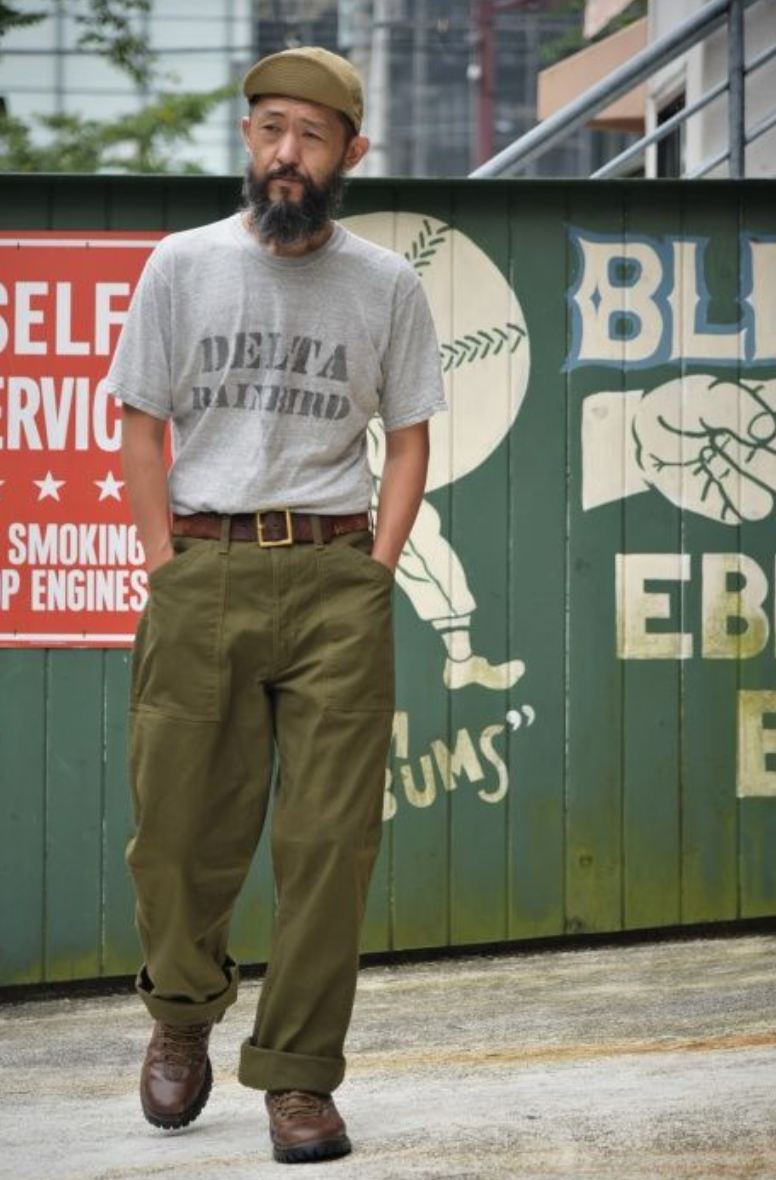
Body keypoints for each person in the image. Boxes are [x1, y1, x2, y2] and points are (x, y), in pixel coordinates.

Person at [105, 45, 445, 1165]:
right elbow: (141, 424)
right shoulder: (182, 264)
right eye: (268, 129)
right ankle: (181, 1007)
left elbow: (407, 437)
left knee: (329, 843)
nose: (285, 153)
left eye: (310, 134)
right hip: (203, 566)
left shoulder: (385, 285)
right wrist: (164, 560)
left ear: (351, 152)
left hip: (335, 575)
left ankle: (298, 1075)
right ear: (248, 140)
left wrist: (377, 566)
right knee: (176, 836)